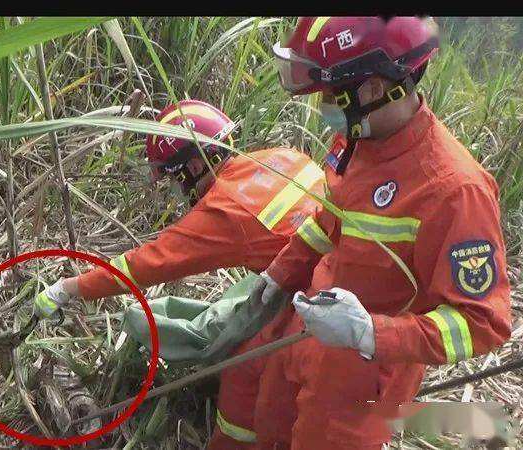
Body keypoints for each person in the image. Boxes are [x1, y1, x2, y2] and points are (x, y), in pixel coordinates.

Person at [210, 16, 512, 449]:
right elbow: (330, 221)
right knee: (266, 429)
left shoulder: (454, 191)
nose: (324, 107)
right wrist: (280, 274)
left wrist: (371, 332)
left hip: (363, 379)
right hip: (306, 331)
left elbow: (482, 323)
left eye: (331, 94)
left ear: (371, 88)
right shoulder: (357, 138)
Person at [33, 99, 328, 336]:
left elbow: (143, 266)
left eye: (176, 178)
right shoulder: (282, 155)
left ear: (196, 164)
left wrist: (67, 289)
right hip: (346, 270)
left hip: (322, 300)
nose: (178, 189)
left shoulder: (223, 209)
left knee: (242, 386)